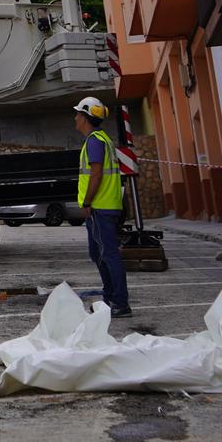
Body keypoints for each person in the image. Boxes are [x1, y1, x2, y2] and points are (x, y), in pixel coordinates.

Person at [74, 96, 131, 318]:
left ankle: (119, 302)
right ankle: (111, 297)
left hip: (100, 207)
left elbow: (96, 174)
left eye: (79, 113)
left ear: (86, 117)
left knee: (108, 255)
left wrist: (87, 202)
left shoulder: (95, 141)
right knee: (98, 253)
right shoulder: (101, 139)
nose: (76, 117)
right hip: (105, 206)